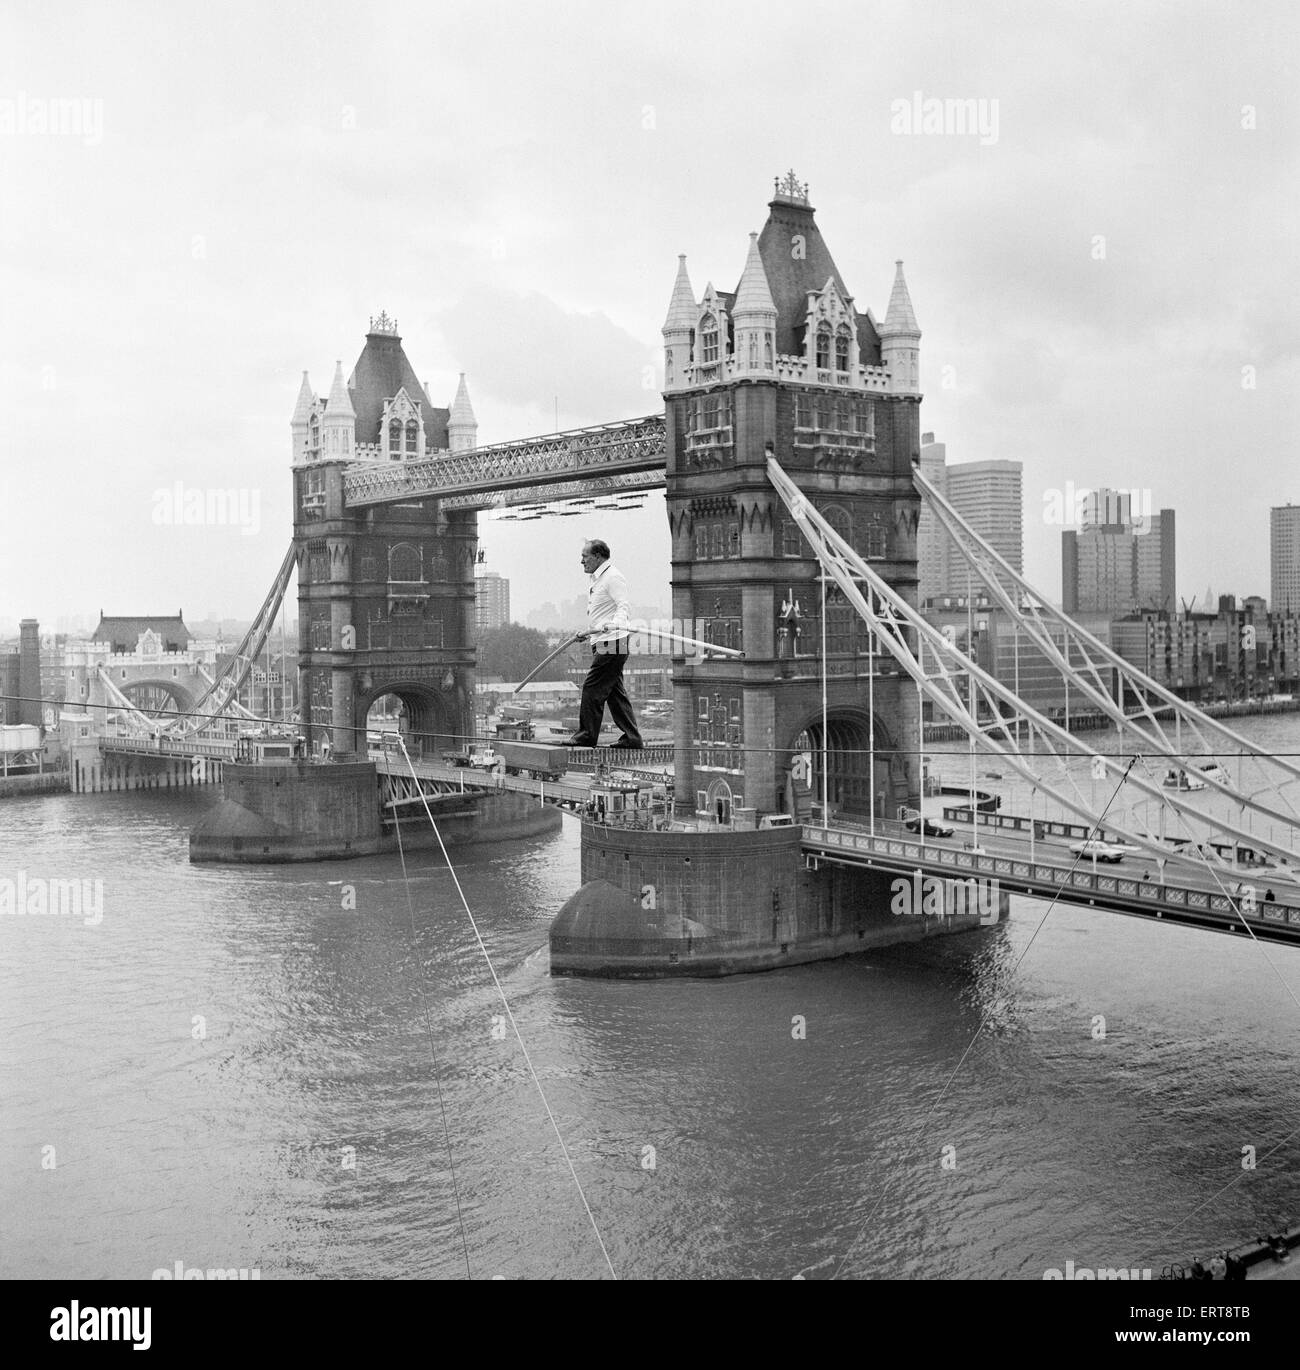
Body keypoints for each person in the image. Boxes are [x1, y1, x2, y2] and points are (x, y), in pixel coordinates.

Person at [565, 539, 643, 750]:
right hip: (601, 640)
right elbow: (602, 613)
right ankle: (632, 738)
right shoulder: (597, 579)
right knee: (615, 693)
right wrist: (587, 633)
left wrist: (615, 624)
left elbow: (623, 607)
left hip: (614, 641)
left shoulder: (613, 578)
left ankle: (586, 736)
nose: (581, 561)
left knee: (592, 687)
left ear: (598, 556)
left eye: (585, 556)